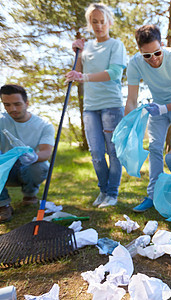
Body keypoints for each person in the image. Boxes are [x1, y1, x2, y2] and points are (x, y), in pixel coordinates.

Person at [125, 24, 171, 212]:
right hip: (157, 108)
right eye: (147, 55)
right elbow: (131, 100)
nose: (153, 59)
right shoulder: (135, 63)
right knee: (155, 147)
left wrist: (165, 108)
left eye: (157, 53)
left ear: (162, 45)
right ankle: (153, 195)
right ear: (140, 52)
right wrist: (127, 127)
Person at [65, 3, 127, 208]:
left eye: (102, 21)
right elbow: (78, 72)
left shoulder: (115, 45)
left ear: (109, 22)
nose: (99, 25)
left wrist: (83, 76)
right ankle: (103, 191)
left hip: (111, 104)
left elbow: (115, 73)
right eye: (95, 22)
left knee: (113, 151)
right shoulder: (87, 46)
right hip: (90, 106)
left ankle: (112, 193)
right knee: (97, 153)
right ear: (89, 24)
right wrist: (76, 52)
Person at [0, 85, 54, 223]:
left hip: (29, 168)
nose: (12, 109)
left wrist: (34, 157)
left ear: (27, 103)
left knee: (40, 166)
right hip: (5, 170)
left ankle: (30, 194)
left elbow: (46, 152)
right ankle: (3, 204)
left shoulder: (44, 125)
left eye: (17, 104)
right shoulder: (1, 121)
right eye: (7, 105)